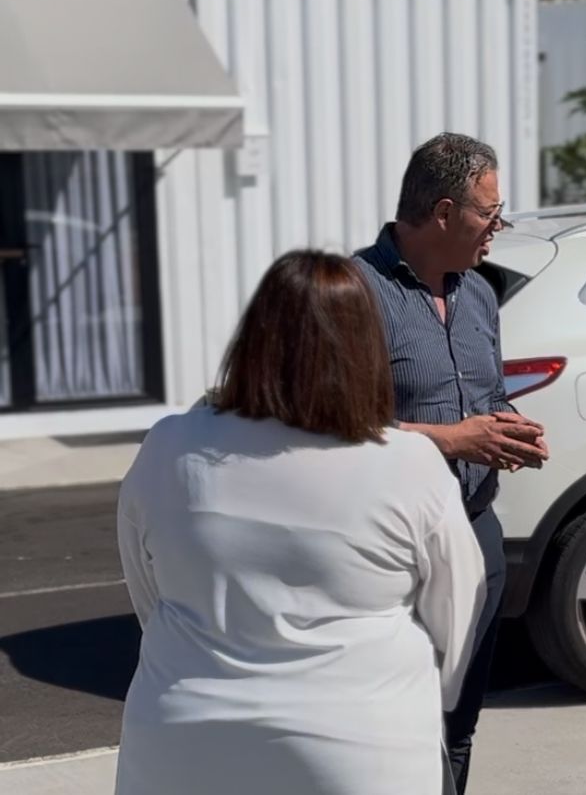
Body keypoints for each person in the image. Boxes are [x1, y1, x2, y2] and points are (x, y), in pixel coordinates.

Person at [115, 251, 486, 795]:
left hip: (180, 747)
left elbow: (148, 592)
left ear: (253, 342)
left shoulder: (170, 446)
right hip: (361, 751)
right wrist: (425, 697)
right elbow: (457, 615)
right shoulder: (409, 463)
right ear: (366, 349)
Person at [354, 132, 549, 793]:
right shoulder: (354, 293)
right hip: (392, 544)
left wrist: (507, 429)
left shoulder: (480, 296)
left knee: (458, 722)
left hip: (475, 529)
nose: (497, 229)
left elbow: (487, 395)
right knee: (393, 723)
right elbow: (331, 428)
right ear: (442, 213)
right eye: (488, 214)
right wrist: (452, 441)